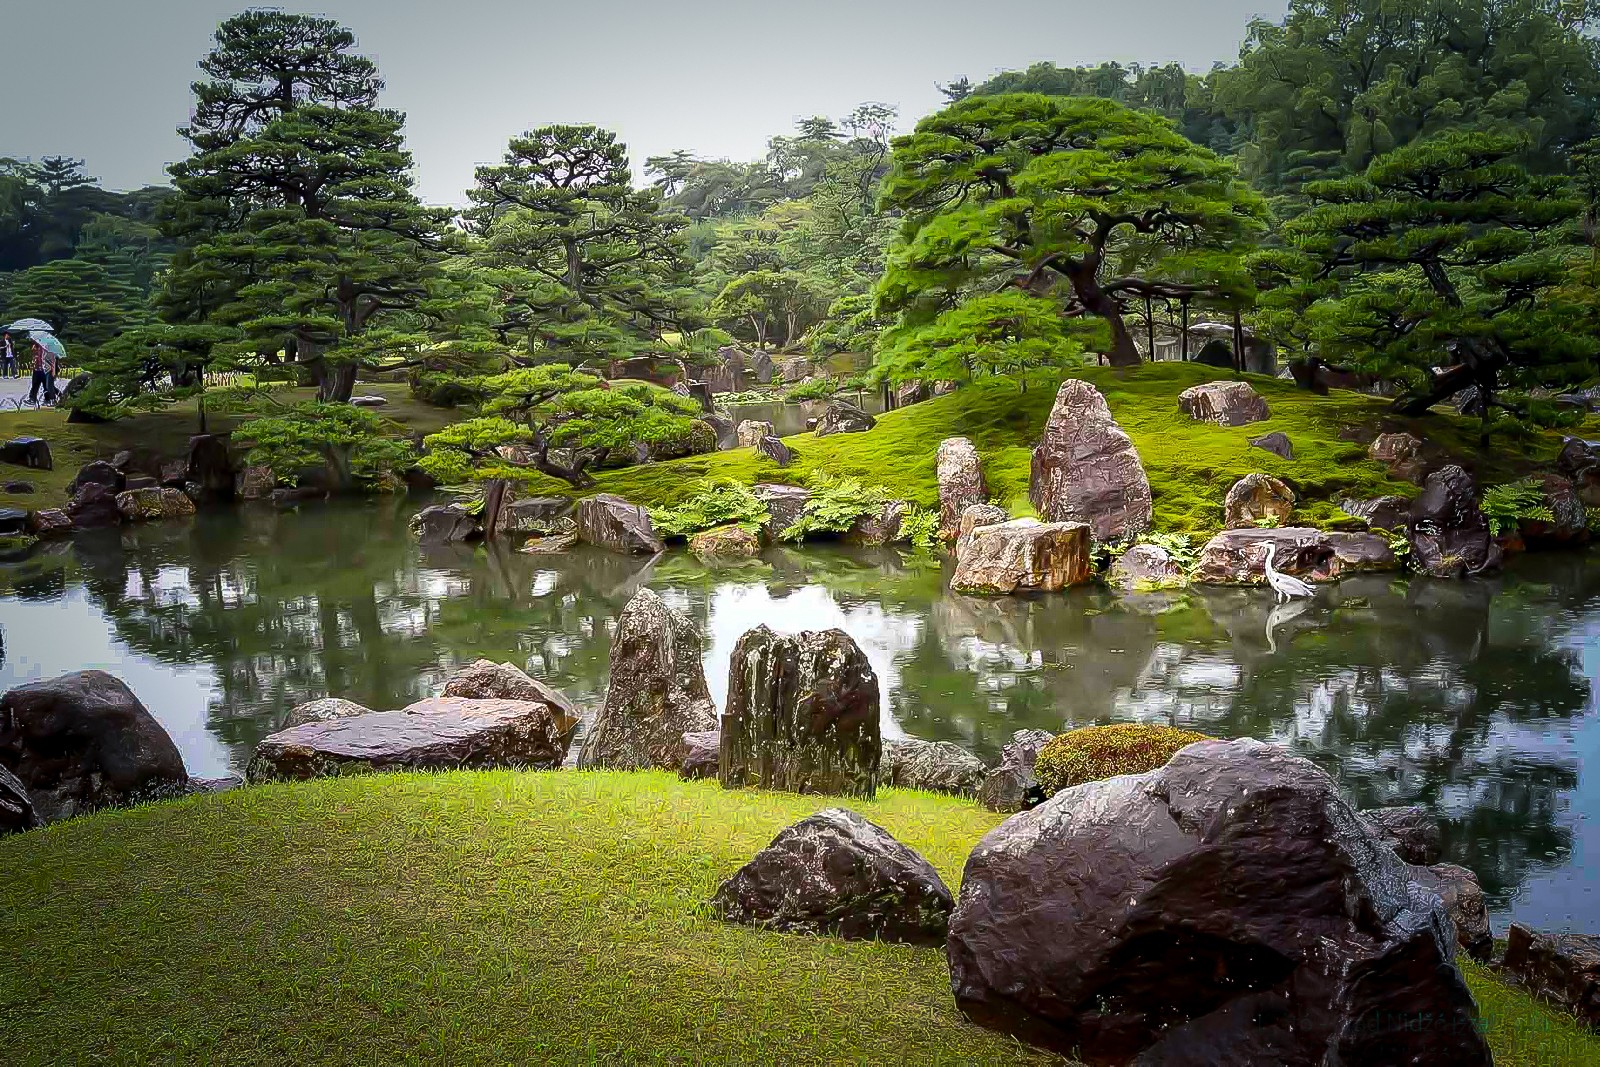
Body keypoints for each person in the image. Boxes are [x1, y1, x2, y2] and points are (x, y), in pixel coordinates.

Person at [27, 339, 57, 405]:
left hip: (44, 370)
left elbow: (52, 360)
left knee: (46, 386)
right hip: (37, 369)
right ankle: (32, 399)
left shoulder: (47, 349)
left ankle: (49, 399)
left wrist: (53, 371)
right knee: (35, 384)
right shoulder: (36, 347)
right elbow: (35, 357)